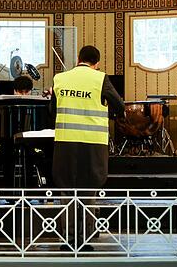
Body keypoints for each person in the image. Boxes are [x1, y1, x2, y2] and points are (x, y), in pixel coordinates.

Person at [51, 45, 124, 251]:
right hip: (93, 143)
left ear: (78, 59)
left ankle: (68, 240)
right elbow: (120, 106)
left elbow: (51, 109)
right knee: (88, 190)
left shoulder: (60, 78)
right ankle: (84, 240)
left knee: (67, 192)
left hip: (65, 143)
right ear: (97, 63)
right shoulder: (100, 79)